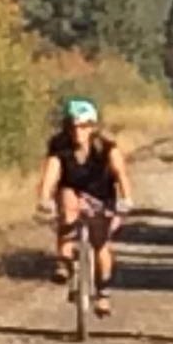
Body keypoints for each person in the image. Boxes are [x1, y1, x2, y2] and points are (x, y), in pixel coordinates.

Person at [37, 98, 133, 316]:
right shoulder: (59, 147)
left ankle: (103, 295)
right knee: (66, 203)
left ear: (92, 127)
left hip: (102, 196)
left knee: (101, 244)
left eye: (83, 126)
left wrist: (127, 199)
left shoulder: (107, 148)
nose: (77, 131)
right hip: (71, 191)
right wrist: (44, 198)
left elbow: (121, 174)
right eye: (72, 126)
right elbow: (51, 172)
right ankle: (64, 263)